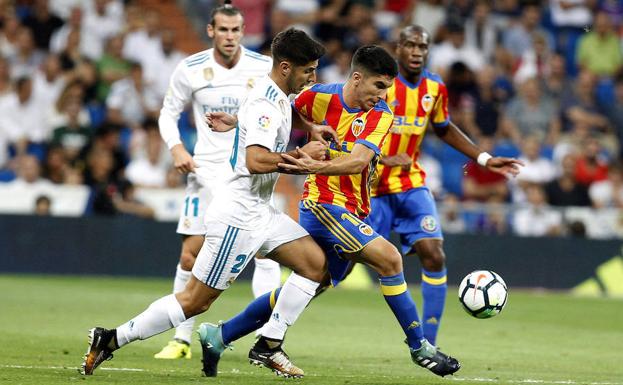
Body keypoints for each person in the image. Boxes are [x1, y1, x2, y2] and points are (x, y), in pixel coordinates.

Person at [198, 44, 466, 378]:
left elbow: (358, 161)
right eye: (379, 86)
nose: (384, 95)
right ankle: (419, 346)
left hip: (353, 209)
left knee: (313, 282)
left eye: (388, 88)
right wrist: (237, 121)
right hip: (322, 204)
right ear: (356, 78)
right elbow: (272, 108)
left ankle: (220, 336)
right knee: (391, 259)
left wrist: (314, 163)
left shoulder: (381, 114)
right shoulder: (318, 96)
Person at [81, 27, 329, 378]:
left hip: (261, 212)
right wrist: (303, 155)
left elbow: (262, 123)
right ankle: (110, 339)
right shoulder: (265, 102)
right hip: (238, 218)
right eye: (308, 70)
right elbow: (256, 161)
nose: (313, 77)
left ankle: (268, 344)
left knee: (316, 267)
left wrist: (246, 124)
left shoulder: (274, 94)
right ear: (286, 67)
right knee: (195, 301)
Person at [153, 1, 280, 360]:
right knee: (192, 257)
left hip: (250, 173)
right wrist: (177, 148)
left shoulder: (262, 67)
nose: (229, 36)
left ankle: (267, 337)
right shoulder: (190, 68)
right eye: (222, 30)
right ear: (211, 31)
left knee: (266, 255)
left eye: (235, 30)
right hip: (205, 172)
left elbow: (279, 109)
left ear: (243, 31)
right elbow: (168, 114)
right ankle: (181, 339)